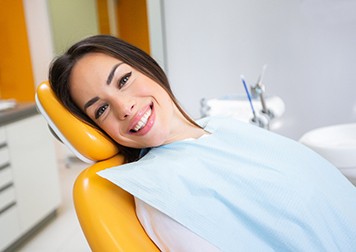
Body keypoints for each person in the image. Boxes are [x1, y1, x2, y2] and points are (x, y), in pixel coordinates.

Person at [49, 35, 356, 251]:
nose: (124, 107)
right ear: (97, 129)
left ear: (146, 66)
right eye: (100, 109)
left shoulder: (220, 127)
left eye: (123, 80)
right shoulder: (162, 192)